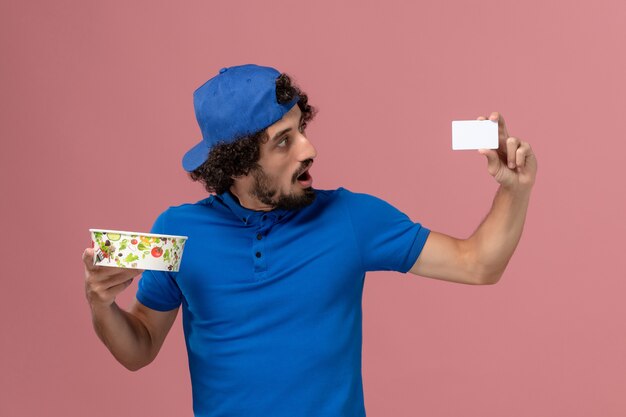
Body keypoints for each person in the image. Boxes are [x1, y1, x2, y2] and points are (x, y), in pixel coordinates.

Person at [82, 64, 537, 417]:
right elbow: (138, 348)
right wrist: (102, 305)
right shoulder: (178, 233)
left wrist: (514, 189)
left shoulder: (349, 218)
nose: (308, 149)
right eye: (283, 141)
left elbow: (478, 263)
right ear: (237, 165)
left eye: (302, 129)